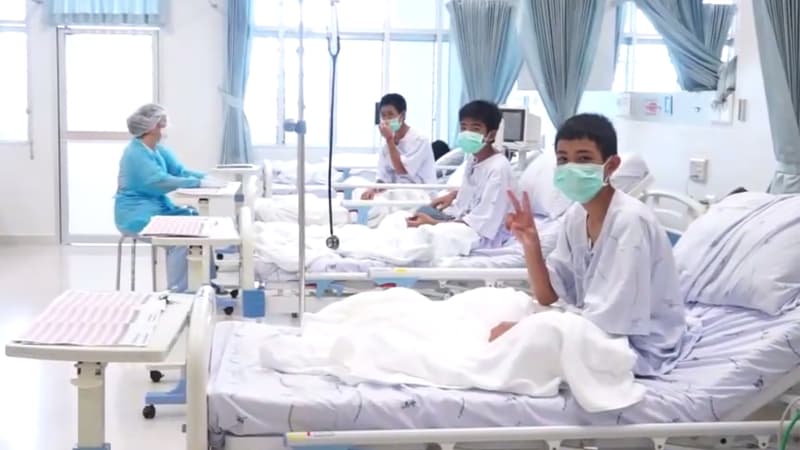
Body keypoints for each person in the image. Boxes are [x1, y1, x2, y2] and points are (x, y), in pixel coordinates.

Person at [491, 113, 695, 377]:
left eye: (584, 158)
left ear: (611, 166)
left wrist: (527, 329)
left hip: (636, 344)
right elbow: (548, 295)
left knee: (516, 342)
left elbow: (610, 324)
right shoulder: (576, 216)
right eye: (563, 159)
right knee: (494, 304)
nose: (571, 167)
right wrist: (531, 244)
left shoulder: (629, 222)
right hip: (594, 327)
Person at [115, 103, 221, 292]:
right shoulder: (135, 154)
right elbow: (159, 181)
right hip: (136, 216)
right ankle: (180, 293)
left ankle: (209, 283)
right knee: (180, 239)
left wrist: (204, 178)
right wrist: (196, 184)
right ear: (151, 127)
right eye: (161, 123)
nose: (165, 126)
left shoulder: (156, 149)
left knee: (197, 221)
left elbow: (179, 171)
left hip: (158, 209)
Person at [406, 100, 514, 249]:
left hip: (477, 234)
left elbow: (482, 223)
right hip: (460, 221)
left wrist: (433, 223)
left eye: (475, 128)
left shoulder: (498, 168)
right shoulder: (473, 159)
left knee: (423, 234)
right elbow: (469, 199)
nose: (467, 133)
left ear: (491, 134)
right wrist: (453, 195)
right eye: (463, 127)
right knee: (409, 216)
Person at [361, 94, 436, 200]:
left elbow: (401, 170)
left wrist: (389, 140)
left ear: (402, 115)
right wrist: (374, 189)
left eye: (390, 115)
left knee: (382, 205)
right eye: (383, 115)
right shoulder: (386, 145)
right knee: (362, 194)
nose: (386, 120)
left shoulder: (419, 140)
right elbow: (383, 176)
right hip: (396, 191)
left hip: (419, 193)